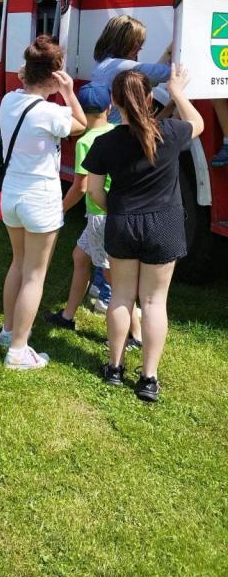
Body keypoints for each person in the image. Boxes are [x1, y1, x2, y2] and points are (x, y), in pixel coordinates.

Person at [83, 66, 203, 402]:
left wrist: (117, 210)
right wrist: (177, 91)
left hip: (123, 223)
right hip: (164, 225)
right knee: (154, 302)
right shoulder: (170, 132)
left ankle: (114, 368)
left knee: (121, 297)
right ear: (149, 98)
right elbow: (199, 123)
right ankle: (149, 378)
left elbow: (94, 192)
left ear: (114, 102)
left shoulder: (105, 142)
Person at [0, 36, 86, 370]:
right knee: (35, 275)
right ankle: (18, 350)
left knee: (17, 264)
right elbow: (80, 125)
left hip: (11, 194)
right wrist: (69, 92)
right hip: (40, 197)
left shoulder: (9, 100)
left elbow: (28, 84)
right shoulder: (51, 112)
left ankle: (8, 332)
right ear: (53, 77)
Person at [44, 83, 141, 346]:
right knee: (80, 256)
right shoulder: (116, 132)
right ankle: (67, 316)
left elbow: (82, 186)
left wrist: (60, 209)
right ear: (109, 107)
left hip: (100, 215)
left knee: (115, 280)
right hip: (108, 213)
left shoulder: (85, 142)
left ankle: (136, 334)